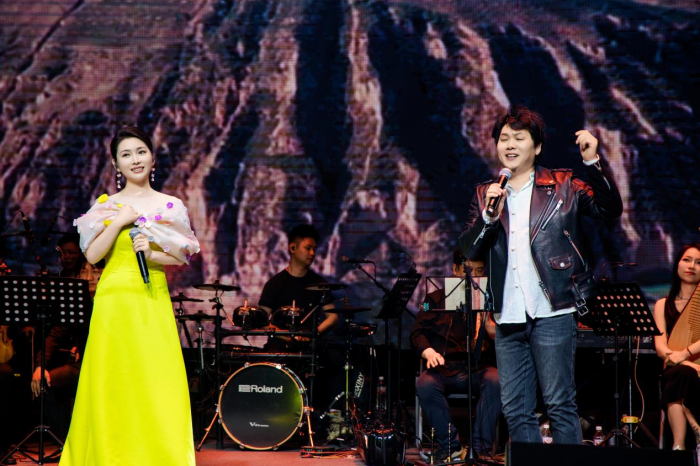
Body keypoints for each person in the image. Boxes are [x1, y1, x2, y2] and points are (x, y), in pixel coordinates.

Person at [459, 105, 623, 445]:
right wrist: (489, 217)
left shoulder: (563, 185)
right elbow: (470, 251)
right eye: (504, 138)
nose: (510, 145)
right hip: (509, 315)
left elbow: (608, 210)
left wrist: (593, 163)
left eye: (519, 138)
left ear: (536, 147)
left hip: (554, 309)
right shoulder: (486, 193)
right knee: (516, 409)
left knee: (559, 405)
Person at [61, 126, 200, 465]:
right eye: (126, 154)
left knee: (156, 377)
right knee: (112, 378)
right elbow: (93, 255)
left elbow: (182, 255)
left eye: (141, 152)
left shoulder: (170, 205)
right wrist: (118, 221)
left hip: (151, 296)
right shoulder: (107, 206)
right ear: (116, 164)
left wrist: (152, 254)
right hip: (113, 299)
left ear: (152, 158)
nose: (135, 159)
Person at [412, 248, 501, 461]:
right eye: (468, 271)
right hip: (444, 368)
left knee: (497, 380)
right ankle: (450, 444)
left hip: (478, 367)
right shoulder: (432, 299)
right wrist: (429, 351)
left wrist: (489, 325)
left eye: (479, 271)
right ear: (455, 269)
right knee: (425, 384)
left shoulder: (488, 299)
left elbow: (498, 336)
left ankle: (480, 449)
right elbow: (417, 332)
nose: (473, 277)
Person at [653, 243, 700, 450]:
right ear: (677, 264)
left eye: (699, 262)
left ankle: (678, 447)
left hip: (689, 370)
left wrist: (685, 354)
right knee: (681, 373)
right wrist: (687, 362)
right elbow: (661, 347)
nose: (692, 266)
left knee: (678, 377)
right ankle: (685, 441)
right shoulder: (662, 305)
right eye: (687, 260)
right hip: (679, 368)